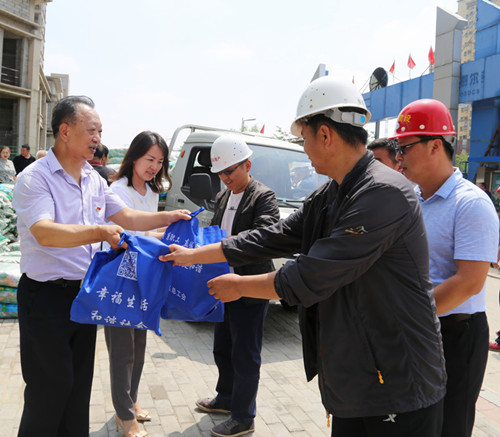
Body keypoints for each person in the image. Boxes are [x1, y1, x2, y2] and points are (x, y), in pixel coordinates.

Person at [161, 77, 447, 437]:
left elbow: (310, 275)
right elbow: (276, 235)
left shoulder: (383, 193)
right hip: (359, 376)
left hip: (398, 381)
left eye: (304, 139)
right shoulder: (334, 193)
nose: (305, 149)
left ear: (325, 134)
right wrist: (194, 255)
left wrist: (240, 286)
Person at [12, 95, 190, 437]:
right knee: (49, 390)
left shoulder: (92, 178)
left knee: (78, 389)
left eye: (100, 131)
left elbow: (126, 216)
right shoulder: (36, 177)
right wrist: (98, 231)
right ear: (65, 131)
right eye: (91, 130)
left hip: (84, 295)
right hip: (45, 298)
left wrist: (168, 216)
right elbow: (44, 232)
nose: (97, 138)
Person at [391, 98, 499, 437]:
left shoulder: (471, 204)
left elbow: (469, 282)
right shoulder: (412, 199)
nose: (398, 157)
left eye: (405, 148)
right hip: (418, 327)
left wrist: (408, 316)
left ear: (435, 146)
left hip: (456, 333)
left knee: (450, 424)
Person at [193, 134, 280, 437]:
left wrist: (223, 245)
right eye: (220, 173)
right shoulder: (222, 196)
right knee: (223, 347)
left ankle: (243, 417)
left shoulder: (263, 197)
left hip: (249, 286)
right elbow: (214, 231)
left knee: (245, 354)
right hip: (223, 286)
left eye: (230, 171)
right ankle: (226, 398)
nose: (225, 178)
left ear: (247, 165)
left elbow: (263, 237)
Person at [105, 131, 172, 437]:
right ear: (133, 157)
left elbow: (147, 234)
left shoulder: (152, 191)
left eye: (159, 162)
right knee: (122, 351)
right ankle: (123, 414)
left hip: (144, 277)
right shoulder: (118, 190)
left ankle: (130, 401)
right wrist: (164, 229)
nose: (154, 167)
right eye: (149, 159)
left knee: (139, 346)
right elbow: (128, 234)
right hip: (120, 278)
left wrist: (169, 232)